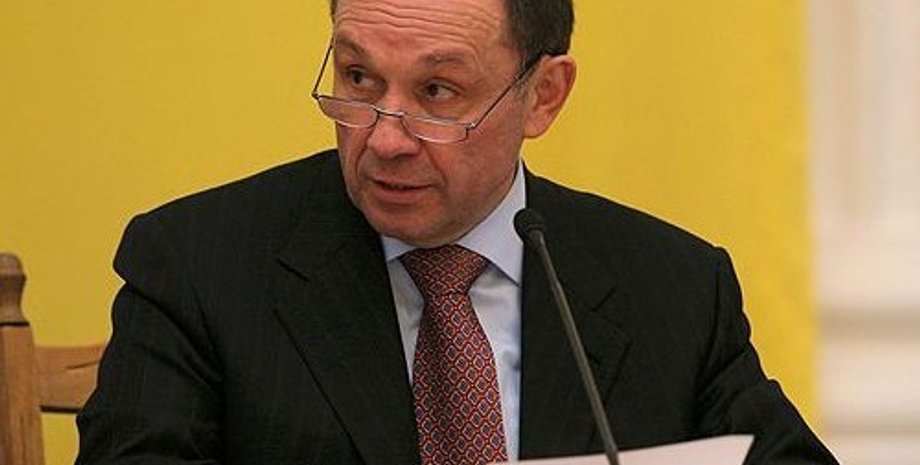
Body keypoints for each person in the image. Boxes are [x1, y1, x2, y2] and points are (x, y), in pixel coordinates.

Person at [75, 0, 838, 464]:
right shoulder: (199, 266)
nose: (384, 138)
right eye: (358, 79)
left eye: (438, 92)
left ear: (544, 95)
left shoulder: (672, 287)